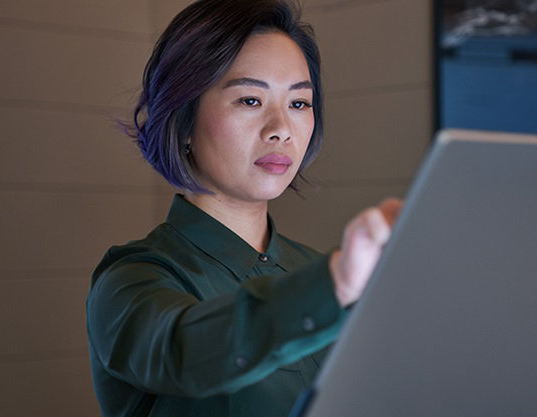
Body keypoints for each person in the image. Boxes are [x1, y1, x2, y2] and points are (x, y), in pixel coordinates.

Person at [85, 0, 402, 416]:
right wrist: (335, 286)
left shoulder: (315, 267)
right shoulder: (131, 281)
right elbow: (184, 350)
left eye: (299, 103)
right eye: (250, 100)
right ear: (183, 119)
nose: (280, 130)